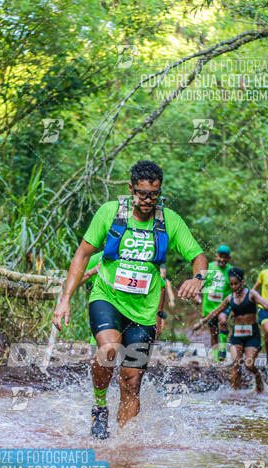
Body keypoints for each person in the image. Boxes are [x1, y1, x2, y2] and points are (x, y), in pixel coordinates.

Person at [53, 160, 207, 438]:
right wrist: (65, 298)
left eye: (154, 194)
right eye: (141, 194)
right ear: (130, 189)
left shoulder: (169, 221)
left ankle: (124, 447)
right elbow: (82, 255)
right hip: (107, 297)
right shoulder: (110, 213)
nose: (147, 201)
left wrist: (198, 279)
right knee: (109, 350)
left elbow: (198, 257)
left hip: (143, 311)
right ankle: (99, 406)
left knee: (131, 380)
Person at [194, 267, 268, 392]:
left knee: (249, 365)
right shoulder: (230, 298)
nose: (234, 286)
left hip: (252, 336)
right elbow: (216, 311)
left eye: (236, 283)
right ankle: (235, 394)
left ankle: (257, 376)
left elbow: (266, 305)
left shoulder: (252, 294)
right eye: (232, 284)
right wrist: (201, 322)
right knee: (236, 364)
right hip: (237, 336)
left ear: (242, 282)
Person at [200, 245, 233, 361]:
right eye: (221, 256)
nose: (223, 259)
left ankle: (223, 349)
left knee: (223, 321)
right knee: (213, 332)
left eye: (225, 257)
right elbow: (201, 284)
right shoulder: (208, 267)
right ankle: (216, 357)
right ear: (216, 256)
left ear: (229, 258)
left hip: (223, 305)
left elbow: (235, 288)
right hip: (209, 306)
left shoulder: (231, 270)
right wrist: (196, 295)